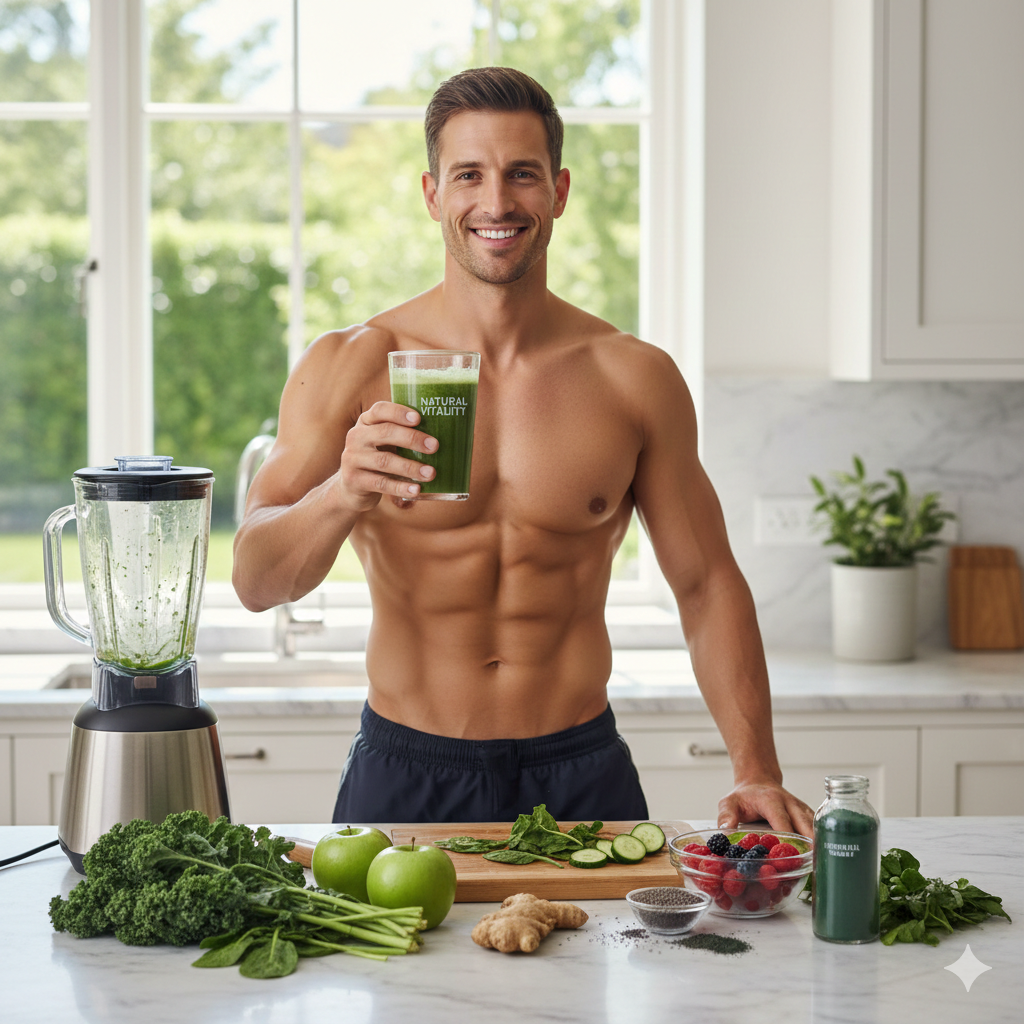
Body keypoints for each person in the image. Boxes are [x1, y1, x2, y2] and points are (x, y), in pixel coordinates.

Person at [233, 66, 813, 836]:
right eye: (468, 175)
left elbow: (706, 585)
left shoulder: (631, 377)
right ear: (433, 194)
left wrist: (757, 769)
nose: (496, 203)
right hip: (406, 769)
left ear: (560, 192)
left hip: (580, 770)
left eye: (522, 175)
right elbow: (255, 580)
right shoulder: (349, 365)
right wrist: (342, 490)